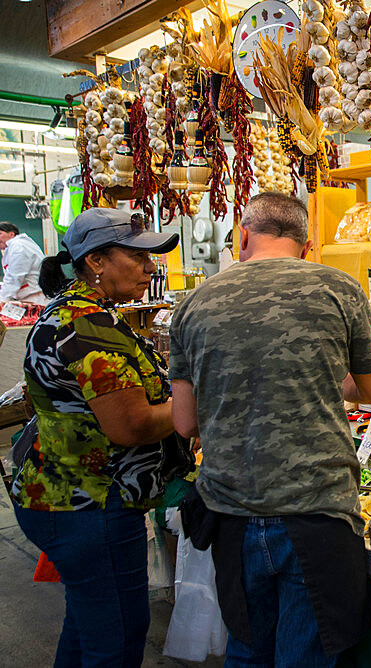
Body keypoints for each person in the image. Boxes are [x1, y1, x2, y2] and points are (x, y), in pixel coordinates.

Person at [170, 192, 371, 666]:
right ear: (307, 245)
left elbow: (185, 422)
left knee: (247, 651)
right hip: (319, 512)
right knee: (306, 656)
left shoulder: (192, 305)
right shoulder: (339, 288)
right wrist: (320, 375)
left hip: (231, 511)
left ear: (243, 235)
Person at [10, 207, 184, 666]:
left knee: (89, 626)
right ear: (96, 262)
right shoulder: (84, 327)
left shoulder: (82, 312)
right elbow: (131, 425)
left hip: (67, 495)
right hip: (89, 503)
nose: (151, 268)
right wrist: (202, 402)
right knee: (118, 639)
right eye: (139, 256)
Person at [0, 222, 47, 304]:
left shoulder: (18, 246)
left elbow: (15, 276)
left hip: (34, 298)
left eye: (0, 234)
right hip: (28, 297)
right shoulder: (13, 247)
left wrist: (2, 299)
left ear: (11, 234)